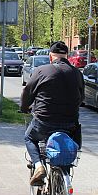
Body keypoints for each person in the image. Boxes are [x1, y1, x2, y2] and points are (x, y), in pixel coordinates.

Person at [20, 41, 84, 185]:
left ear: (50, 57)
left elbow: (27, 91)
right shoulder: (76, 73)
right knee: (66, 146)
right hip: (70, 124)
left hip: (44, 122)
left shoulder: (41, 70)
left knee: (29, 138)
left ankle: (38, 166)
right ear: (66, 56)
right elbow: (81, 98)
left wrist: (24, 107)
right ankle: (62, 180)